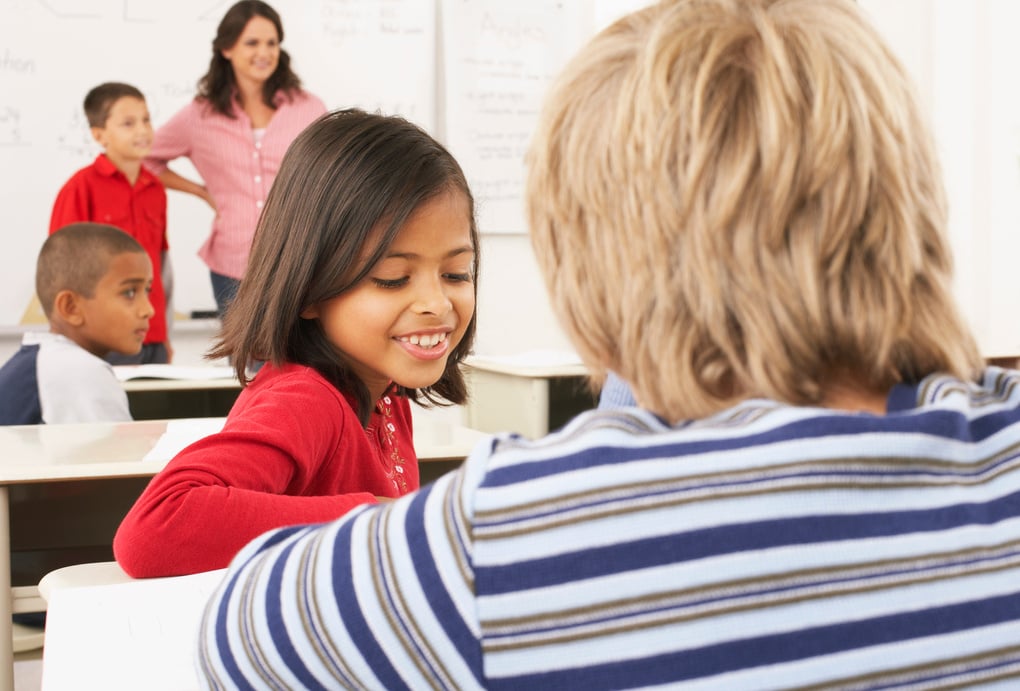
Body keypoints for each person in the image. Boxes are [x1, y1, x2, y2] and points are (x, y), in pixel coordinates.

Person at [197, 0, 1020, 688]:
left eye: (457, 270)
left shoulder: (492, 548)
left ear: (586, 261)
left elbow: (238, 632)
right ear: (909, 201)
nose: (435, 299)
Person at [113, 109, 479, 579]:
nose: (436, 302)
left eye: (456, 273)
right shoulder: (306, 398)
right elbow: (155, 528)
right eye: (392, 279)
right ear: (308, 289)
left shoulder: (385, 394)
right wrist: (381, 522)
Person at [143, 0, 326, 317]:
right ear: (227, 48)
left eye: (272, 43)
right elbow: (146, 159)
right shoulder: (200, 115)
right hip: (233, 265)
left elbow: (332, 171)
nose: (264, 52)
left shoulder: (307, 108)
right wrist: (201, 191)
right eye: (252, 42)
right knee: (247, 362)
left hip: (301, 259)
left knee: (303, 360)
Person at [50, 82, 170, 364]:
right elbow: (60, 269)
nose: (142, 130)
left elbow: (161, 266)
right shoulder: (80, 187)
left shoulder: (155, 188)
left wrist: (164, 336)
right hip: (102, 338)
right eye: (128, 123)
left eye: (146, 120)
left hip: (152, 336)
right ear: (99, 135)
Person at [0, 223, 153, 425]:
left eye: (147, 291)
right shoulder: (79, 371)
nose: (148, 310)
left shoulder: (41, 361)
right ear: (70, 307)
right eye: (129, 292)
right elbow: (121, 456)